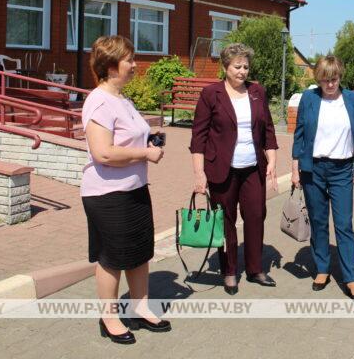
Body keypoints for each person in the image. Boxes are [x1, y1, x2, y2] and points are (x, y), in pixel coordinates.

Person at [80, 35, 169, 345]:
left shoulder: (123, 100)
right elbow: (103, 152)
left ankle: (140, 306)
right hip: (107, 194)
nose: (135, 65)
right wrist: (145, 154)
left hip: (134, 188)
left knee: (140, 251)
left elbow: (126, 139)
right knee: (112, 256)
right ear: (109, 65)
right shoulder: (98, 100)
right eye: (129, 60)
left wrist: (149, 139)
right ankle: (109, 317)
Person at [190, 43, 278, 295]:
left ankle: (254, 269)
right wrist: (199, 174)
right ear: (226, 67)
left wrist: (271, 160)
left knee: (255, 216)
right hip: (221, 169)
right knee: (225, 220)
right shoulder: (211, 94)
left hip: (252, 168)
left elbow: (268, 130)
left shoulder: (257, 91)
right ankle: (228, 271)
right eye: (237, 66)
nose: (242, 71)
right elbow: (199, 137)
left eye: (246, 67)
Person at [291, 56, 354, 300]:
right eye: (325, 80)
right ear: (319, 80)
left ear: (340, 77)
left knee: (344, 224)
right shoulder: (310, 98)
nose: (330, 84)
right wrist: (295, 169)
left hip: (342, 169)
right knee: (319, 221)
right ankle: (322, 269)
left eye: (334, 79)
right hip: (313, 168)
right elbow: (299, 135)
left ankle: (351, 277)